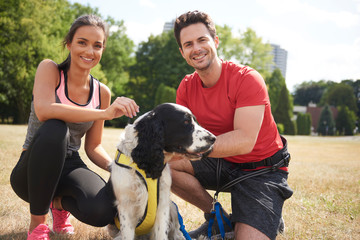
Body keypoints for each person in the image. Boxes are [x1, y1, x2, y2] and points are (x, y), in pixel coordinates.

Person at [10, 15, 139, 240]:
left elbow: (94, 146)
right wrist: (104, 113)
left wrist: (118, 167)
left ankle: (58, 205)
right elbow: (45, 110)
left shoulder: (102, 92)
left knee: (103, 211)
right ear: (68, 44)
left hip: (69, 163)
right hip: (32, 168)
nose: (89, 51)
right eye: (82, 42)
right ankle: (37, 226)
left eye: (97, 45)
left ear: (102, 50)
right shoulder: (49, 70)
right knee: (55, 129)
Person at [169, 10, 293, 240]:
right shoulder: (186, 87)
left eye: (202, 40)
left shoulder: (247, 78)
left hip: (262, 170)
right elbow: (180, 137)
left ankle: (264, 214)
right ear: (182, 52)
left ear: (215, 41)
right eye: (188, 44)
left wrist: (188, 148)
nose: (196, 48)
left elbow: (244, 141)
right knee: (164, 165)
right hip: (222, 162)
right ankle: (218, 219)